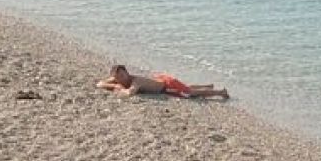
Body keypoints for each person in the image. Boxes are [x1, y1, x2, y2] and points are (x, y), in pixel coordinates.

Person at [96, 64, 229, 99]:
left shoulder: (136, 81)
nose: (121, 79)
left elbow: (129, 93)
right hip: (160, 79)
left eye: (122, 75)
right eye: (118, 77)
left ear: (127, 72)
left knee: (190, 94)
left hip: (166, 85)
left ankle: (220, 92)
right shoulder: (118, 79)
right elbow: (99, 83)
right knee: (185, 88)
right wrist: (115, 84)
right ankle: (208, 85)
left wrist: (118, 88)